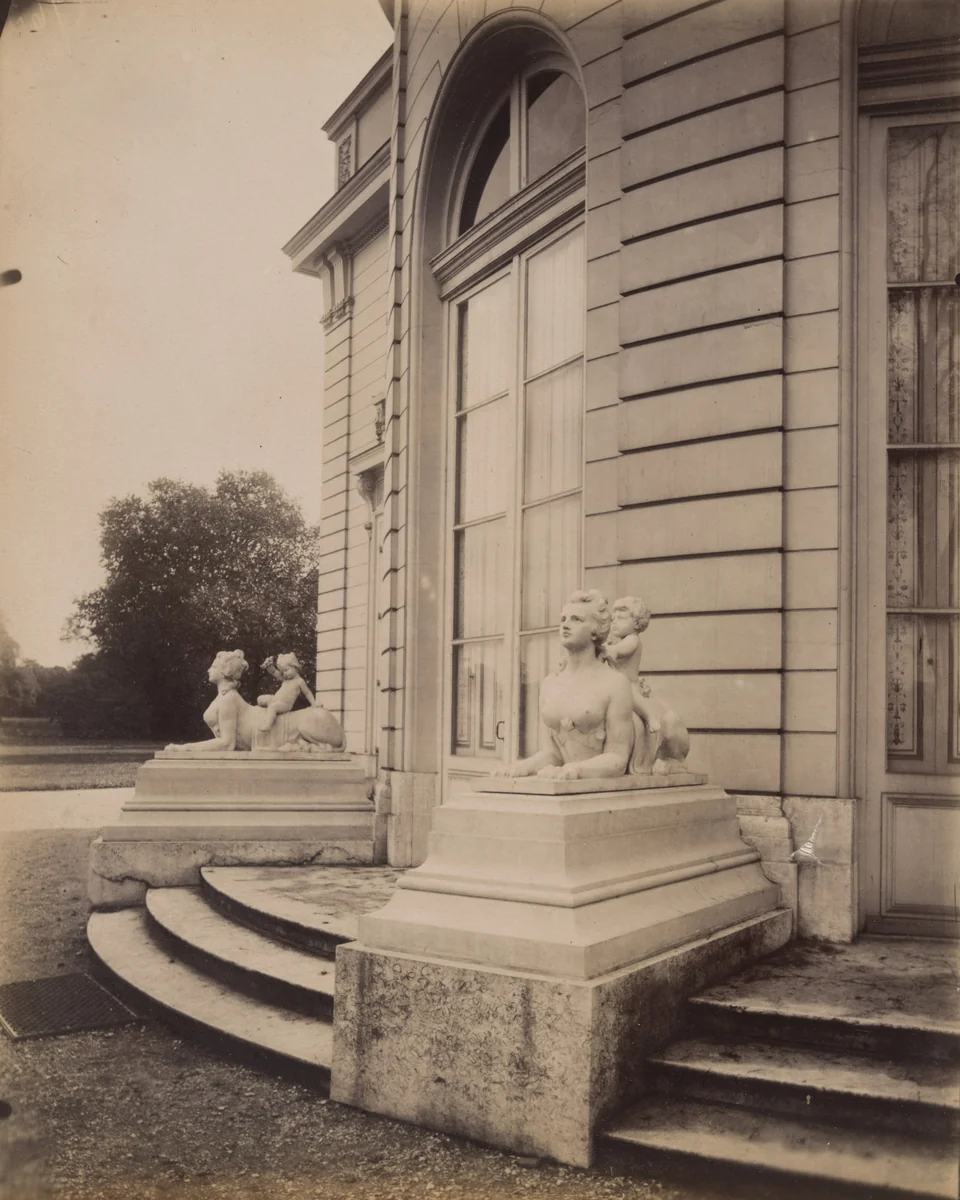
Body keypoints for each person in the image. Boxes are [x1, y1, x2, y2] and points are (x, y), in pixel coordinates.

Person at [494, 589, 634, 781]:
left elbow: (618, 759)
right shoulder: (550, 683)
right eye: (563, 619)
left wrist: (576, 769)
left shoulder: (615, 683)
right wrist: (523, 766)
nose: (565, 625)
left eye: (576, 619)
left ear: (595, 631)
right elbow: (553, 754)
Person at [604, 596, 660, 735]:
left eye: (621, 618)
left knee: (629, 695)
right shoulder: (616, 640)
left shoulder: (632, 640)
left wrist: (607, 649)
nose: (615, 623)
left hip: (627, 683)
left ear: (636, 623)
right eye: (613, 619)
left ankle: (649, 718)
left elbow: (620, 650)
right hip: (613, 683)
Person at [258, 653, 315, 732]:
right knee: (260, 699)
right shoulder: (285, 679)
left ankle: (268, 724)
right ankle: (260, 716)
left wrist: (313, 703)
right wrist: (269, 666)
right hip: (275, 699)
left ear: (295, 667)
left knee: (272, 708)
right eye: (282, 672)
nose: (284, 674)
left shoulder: (299, 681)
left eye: (286, 670)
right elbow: (274, 672)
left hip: (285, 705)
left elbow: (307, 693)